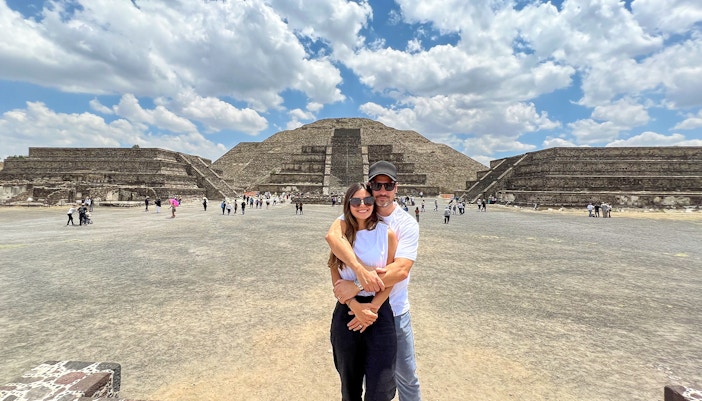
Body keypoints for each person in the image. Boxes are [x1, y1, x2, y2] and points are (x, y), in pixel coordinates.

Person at [327, 160, 422, 401]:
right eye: (377, 185)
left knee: (404, 375)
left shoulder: (404, 224)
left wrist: (358, 287)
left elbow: (400, 271)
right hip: (352, 310)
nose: (382, 191)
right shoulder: (353, 215)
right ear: (369, 186)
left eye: (387, 185)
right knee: (353, 378)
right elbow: (332, 240)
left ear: (396, 188)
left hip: (393, 310)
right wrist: (357, 282)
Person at [329, 182, 398, 401]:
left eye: (368, 200)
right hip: (348, 312)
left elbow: (391, 278)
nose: (362, 205)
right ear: (347, 204)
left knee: (382, 386)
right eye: (356, 201)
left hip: (378, 310)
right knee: (349, 385)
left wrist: (372, 309)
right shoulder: (341, 234)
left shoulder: (386, 234)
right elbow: (336, 276)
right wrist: (355, 306)